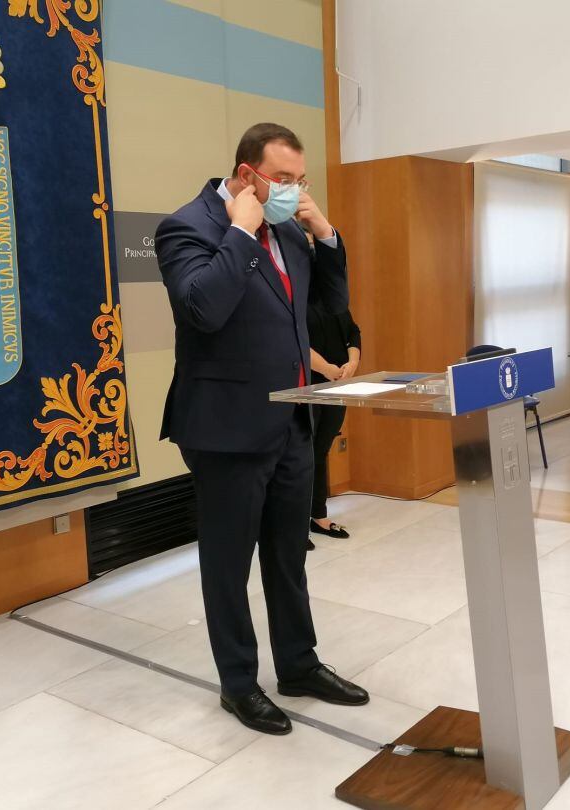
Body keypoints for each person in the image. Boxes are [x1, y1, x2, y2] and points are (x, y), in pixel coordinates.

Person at [155, 123, 370, 736]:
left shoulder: (292, 233)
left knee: (288, 556)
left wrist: (325, 234)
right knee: (228, 565)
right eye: (282, 181)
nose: (291, 192)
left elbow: (331, 304)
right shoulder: (188, 228)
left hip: (291, 421)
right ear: (247, 175)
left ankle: (299, 666)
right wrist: (241, 230)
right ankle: (239, 684)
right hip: (225, 429)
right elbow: (204, 307)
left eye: (300, 181)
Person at [307, 300, 361, 547]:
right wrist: (326, 368)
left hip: (337, 385)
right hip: (306, 385)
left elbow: (352, 332)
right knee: (301, 454)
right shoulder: (296, 297)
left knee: (320, 450)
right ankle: (293, 524)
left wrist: (352, 364)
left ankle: (317, 516)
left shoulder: (335, 299)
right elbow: (293, 341)